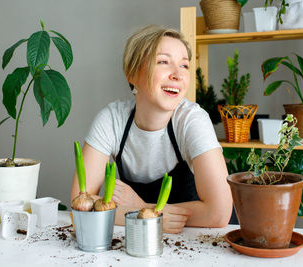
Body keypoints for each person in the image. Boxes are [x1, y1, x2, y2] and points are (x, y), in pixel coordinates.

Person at [71, 25, 232, 234]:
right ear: (132, 73)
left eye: (184, 66)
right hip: (140, 241)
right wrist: (147, 212)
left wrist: (138, 207)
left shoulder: (192, 120)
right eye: (163, 62)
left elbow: (218, 212)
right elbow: (80, 202)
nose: (177, 75)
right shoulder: (111, 120)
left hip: (196, 240)